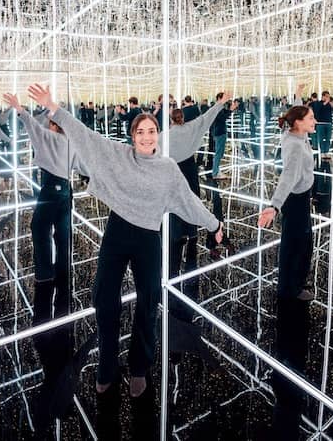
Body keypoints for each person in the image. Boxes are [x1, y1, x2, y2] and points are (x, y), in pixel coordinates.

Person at [26, 83, 222, 433]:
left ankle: (139, 369)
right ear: (133, 136)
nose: (147, 137)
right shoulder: (119, 155)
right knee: (105, 300)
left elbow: (189, 202)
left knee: (148, 302)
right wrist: (54, 109)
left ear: (158, 135)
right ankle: (106, 367)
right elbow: (86, 137)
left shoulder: (167, 169)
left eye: (151, 131)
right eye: (140, 132)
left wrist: (215, 224)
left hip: (148, 238)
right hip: (117, 233)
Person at [256, 105, 317, 438]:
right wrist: (274, 206)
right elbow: (287, 177)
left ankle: (292, 286)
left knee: (302, 245)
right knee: (296, 245)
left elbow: (289, 124)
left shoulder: (295, 135)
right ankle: (288, 290)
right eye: (310, 117)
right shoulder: (294, 145)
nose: (315, 121)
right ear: (299, 123)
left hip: (301, 198)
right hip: (294, 201)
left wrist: (296, 98)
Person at [3, 93, 79, 319]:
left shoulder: (49, 137)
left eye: (49, 121)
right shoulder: (71, 141)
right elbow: (80, 165)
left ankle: (45, 275)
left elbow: (31, 125)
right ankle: (63, 271)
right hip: (66, 189)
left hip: (50, 189)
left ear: (54, 125)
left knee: (39, 228)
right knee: (63, 233)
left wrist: (19, 108)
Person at [164, 93, 233, 298]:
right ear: (183, 118)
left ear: (171, 119)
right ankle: (192, 231)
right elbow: (207, 118)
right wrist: (220, 103)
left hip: (173, 170)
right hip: (190, 169)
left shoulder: (165, 136)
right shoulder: (191, 128)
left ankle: (177, 234)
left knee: (175, 203)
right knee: (193, 200)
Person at [209, 91, 236, 180]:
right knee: (218, 153)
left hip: (220, 131)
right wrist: (231, 110)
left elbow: (224, 114)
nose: (226, 100)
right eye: (224, 98)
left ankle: (216, 170)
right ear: (219, 98)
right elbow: (223, 117)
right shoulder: (217, 108)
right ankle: (215, 172)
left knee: (219, 153)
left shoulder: (219, 107)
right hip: (219, 132)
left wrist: (230, 110)